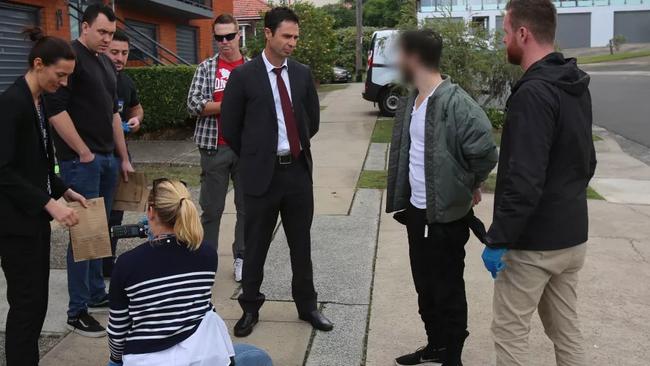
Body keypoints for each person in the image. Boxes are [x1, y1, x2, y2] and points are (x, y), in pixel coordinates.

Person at [481, 0, 596, 365]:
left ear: (523, 33)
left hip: (535, 246)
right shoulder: (574, 83)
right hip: (572, 236)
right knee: (566, 331)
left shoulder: (533, 93)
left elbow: (524, 179)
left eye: (504, 32)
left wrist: (499, 239)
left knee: (510, 333)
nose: (503, 41)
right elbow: (587, 161)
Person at [386, 30, 498, 366]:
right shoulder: (411, 100)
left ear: (414, 58)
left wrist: (469, 184)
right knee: (425, 286)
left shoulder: (457, 103)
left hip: (447, 217)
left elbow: (486, 154)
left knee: (448, 287)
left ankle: (453, 353)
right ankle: (435, 345)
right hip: (417, 212)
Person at [221, 6, 333, 337]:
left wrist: (292, 146)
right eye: (287, 36)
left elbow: (311, 119)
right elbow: (230, 126)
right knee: (255, 246)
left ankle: (307, 307)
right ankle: (250, 308)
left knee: (301, 244)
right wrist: (257, 155)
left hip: (296, 172)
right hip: (260, 176)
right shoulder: (244, 76)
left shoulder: (300, 73)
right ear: (267, 34)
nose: (292, 43)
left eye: (296, 37)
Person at [107, 179, 273, 366]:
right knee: (257, 357)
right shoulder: (207, 254)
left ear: (151, 212)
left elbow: (117, 330)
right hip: (200, 356)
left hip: (147, 358)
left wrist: (115, 359)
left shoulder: (127, 263)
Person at [45, 4, 134, 337]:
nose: (107, 39)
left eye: (111, 33)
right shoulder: (72, 58)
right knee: (83, 236)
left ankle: (97, 293)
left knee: (100, 234)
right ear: (84, 27)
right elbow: (55, 110)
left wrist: (122, 157)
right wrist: (83, 152)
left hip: (107, 159)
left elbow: (113, 114)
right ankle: (77, 310)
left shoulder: (103, 63)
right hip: (82, 163)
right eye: (102, 32)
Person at [0, 28, 88, 365]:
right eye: (60, 74)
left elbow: (36, 162)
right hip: (15, 224)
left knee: (36, 302)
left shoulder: (38, 102)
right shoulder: (11, 104)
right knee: (26, 304)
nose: (63, 83)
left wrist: (63, 189)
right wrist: (48, 203)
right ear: (39, 64)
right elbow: (3, 171)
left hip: (32, 220)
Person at [187, 13, 246, 282]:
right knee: (212, 209)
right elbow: (193, 104)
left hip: (247, 150)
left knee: (247, 207)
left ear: (238, 35)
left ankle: (242, 257)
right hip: (214, 147)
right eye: (219, 37)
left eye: (229, 36)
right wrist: (227, 105)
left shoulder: (251, 67)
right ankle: (205, 261)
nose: (224, 42)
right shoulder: (206, 68)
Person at [104, 29, 144, 277]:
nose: (119, 58)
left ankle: (108, 266)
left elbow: (136, 107)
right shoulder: (93, 79)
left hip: (121, 157)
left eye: (124, 53)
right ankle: (92, 271)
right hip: (96, 156)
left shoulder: (126, 82)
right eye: (114, 52)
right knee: (94, 219)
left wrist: (136, 119)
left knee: (115, 216)